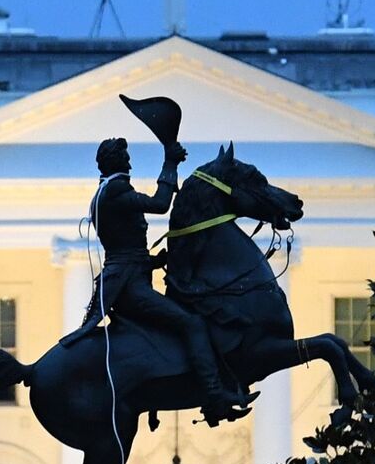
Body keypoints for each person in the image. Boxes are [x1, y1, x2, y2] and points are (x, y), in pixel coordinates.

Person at [64, 137, 255, 425]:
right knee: (192, 323)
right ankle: (214, 396)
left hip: (129, 278)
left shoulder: (107, 191)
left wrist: (154, 261)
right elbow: (160, 204)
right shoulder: (115, 190)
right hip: (129, 289)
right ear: (116, 162)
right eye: (125, 158)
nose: (129, 163)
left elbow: (124, 249)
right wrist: (170, 162)